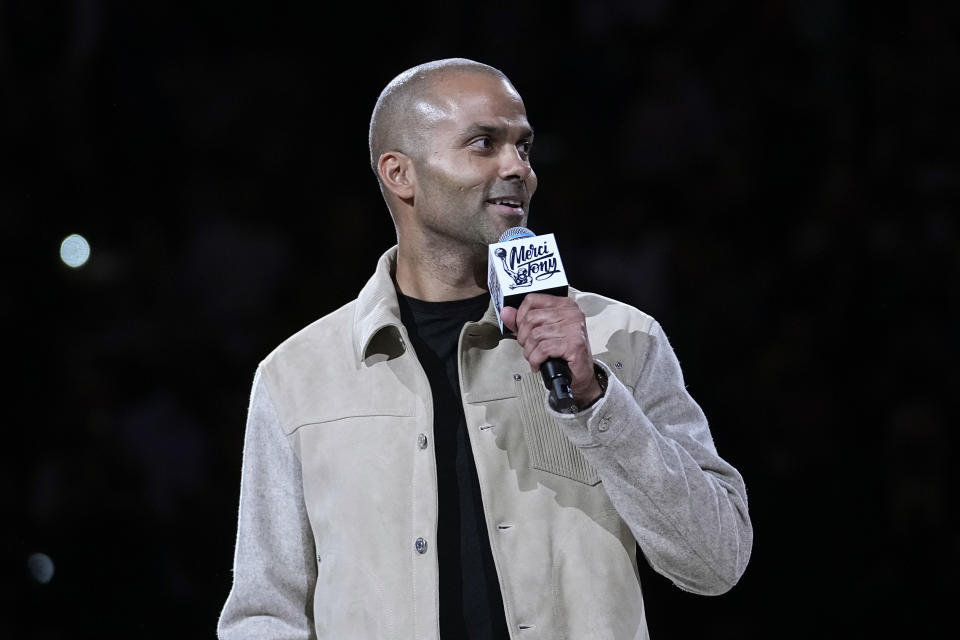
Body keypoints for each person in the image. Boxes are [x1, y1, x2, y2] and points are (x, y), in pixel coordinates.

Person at [217, 58, 752, 640]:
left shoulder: (618, 339)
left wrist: (596, 401)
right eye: (483, 144)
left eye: (523, 147)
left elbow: (715, 561)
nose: (516, 168)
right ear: (401, 175)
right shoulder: (298, 375)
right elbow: (266, 611)